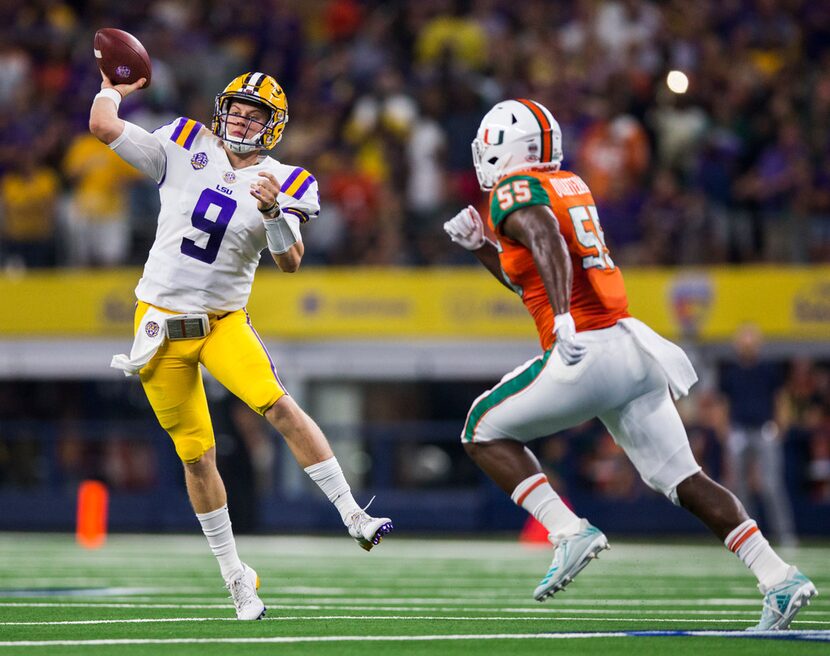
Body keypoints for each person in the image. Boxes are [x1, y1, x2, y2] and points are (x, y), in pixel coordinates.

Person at [443, 98, 816, 631]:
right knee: (685, 479)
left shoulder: (515, 190)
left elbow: (545, 236)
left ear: (508, 147)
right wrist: (483, 246)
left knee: (481, 428)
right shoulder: (570, 182)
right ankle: (778, 577)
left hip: (588, 349)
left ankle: (568, 530)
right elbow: (531, 275)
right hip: (631, 351)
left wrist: (566, 318)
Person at [88, 70, 392, 620]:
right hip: (159, 322)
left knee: (277, 404)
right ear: (220, 109)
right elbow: (102, 125)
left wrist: (275, 212)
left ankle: (353, 514)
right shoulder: (184, 142)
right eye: (237, 109)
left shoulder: (288, 179)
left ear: (272, 126)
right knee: (197, 456)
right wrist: (116, 85)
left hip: (222, 320)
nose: (242, 120)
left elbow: (289, 262)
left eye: (255, 114)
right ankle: (236, 577)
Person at [720, 323, 797, 546]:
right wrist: (726, 432)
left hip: (764, 429)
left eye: (750, 342)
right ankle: (748, 539)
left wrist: (780, 427)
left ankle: (785, 536)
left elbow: (780, 399)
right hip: (739, 432)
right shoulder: (731, 372)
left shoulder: (768, 369)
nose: (747, 346)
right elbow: (723, 403)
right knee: (739, 487)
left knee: (771, 484)